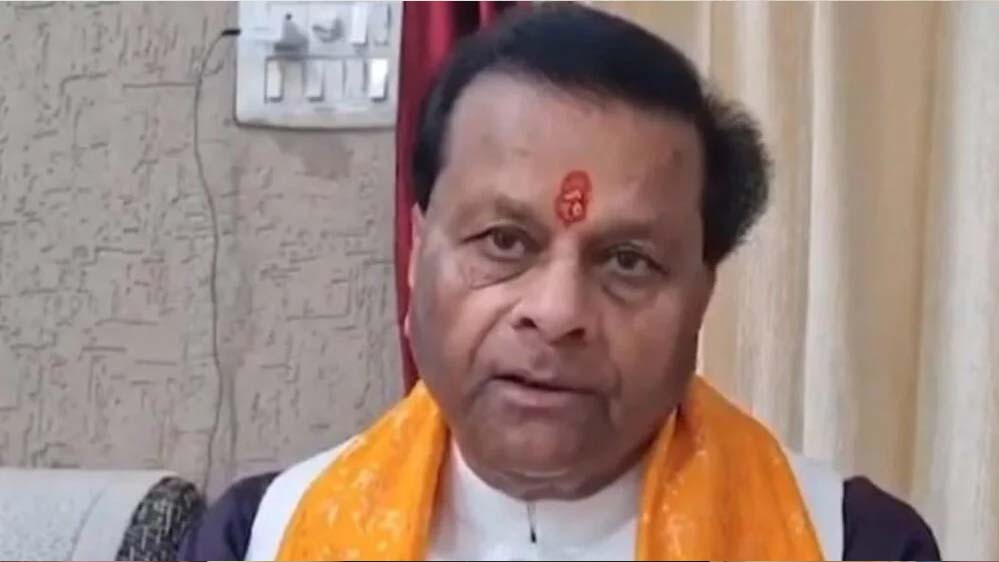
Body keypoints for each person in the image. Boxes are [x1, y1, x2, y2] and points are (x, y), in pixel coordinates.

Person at [180, 5, 939, 560]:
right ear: (416, 255)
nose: (555, 312)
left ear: (702, 294)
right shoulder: (260, 539)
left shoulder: (855, 545)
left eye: (627, 261)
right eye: (504, 242)